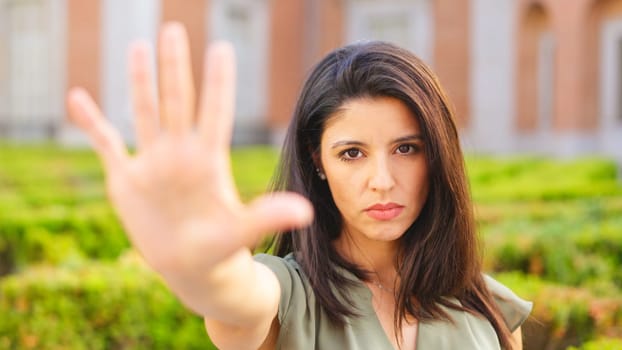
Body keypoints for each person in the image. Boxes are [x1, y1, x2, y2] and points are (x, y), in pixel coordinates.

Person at [66, 22, 531, 350]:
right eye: (352, 153)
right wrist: (205, 274)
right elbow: (238, 301)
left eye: (407, 148)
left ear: (438, 154)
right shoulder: (290, 300)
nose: (383, 181)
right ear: (318, 161)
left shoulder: (487, 306)